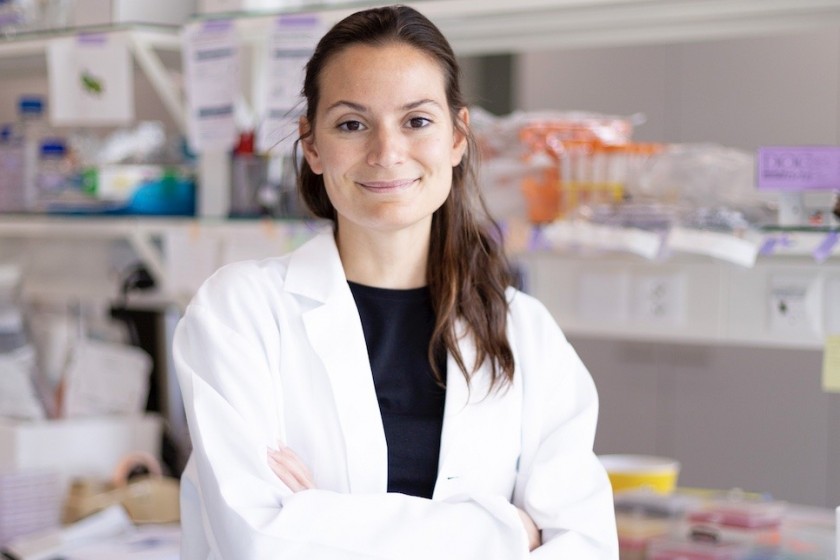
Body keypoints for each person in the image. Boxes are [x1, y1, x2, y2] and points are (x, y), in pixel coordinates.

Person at [174, 5, 618, 559]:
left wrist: (320, 518)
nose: (387, 153)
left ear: (458, 137)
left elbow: (586, 547)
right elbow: (261, 544)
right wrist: (505, 531)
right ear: (312, 144)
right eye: (352, 124)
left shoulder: (524, 331)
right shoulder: (239, 311)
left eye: (417, 121)